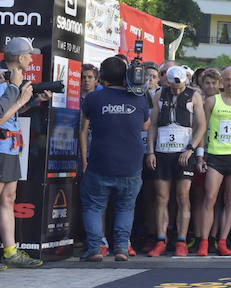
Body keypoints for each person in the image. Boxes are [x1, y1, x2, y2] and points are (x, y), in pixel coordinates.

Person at [79, 57, 151, 262]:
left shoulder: (93, 99)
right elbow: (146, 126)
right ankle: (121, 248)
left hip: (100, 161)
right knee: (125, 207)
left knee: (93, 206)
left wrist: (84, 159)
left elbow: (84, 129)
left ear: (102, 75)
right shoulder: (139, 98)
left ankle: (94, 248)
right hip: (131, 163)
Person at [145, 66, 206, 257]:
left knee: (183, 196)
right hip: (163, 151)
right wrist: (151, 152)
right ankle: (161, 239)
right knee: (161, 197)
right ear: (168, 81)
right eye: (174, 85)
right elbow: (152, 125)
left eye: (180, 85)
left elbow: (202, 125)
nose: (177, 89)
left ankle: (181, 240)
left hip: (183, 152)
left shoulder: (193, 95)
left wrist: (192, 149)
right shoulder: (159, 94)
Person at [196, 67, 231, 257]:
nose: (230, 83)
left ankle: (222, 241)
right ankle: (204, 242)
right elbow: (202, 128)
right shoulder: (212, 101)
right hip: (215, 156)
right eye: (226, 80)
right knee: (210, 198)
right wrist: (200, 154)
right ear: (222, 82)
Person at [0, 41, 41, 268]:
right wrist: (21, 99)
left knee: (9, 198)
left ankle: (10, 251)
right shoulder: (5, 81)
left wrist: (29, 104)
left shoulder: (12, 81)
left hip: (11, 147)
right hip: (1, 147)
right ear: (20, 58)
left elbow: (11, 112)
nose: (32, 59)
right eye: (29, 55)